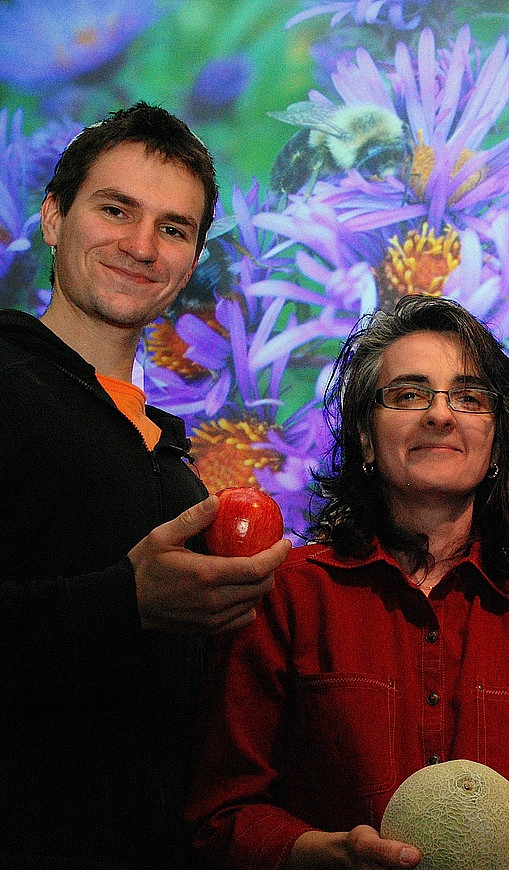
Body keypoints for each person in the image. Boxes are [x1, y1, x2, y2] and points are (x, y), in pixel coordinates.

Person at [185, 294, 509, 870]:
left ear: (495, 444)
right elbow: (220, 817)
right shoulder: (286, 596)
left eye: (469, 398)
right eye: (409, 395)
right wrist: (325, 854)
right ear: (367, 440)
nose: (440, 415)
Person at [0, 103, 290, 869]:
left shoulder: (170, 461)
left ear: (191, 262)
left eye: (173, 228)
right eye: (116, 210)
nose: (140, 245)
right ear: (53, 218)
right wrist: (125, 602)